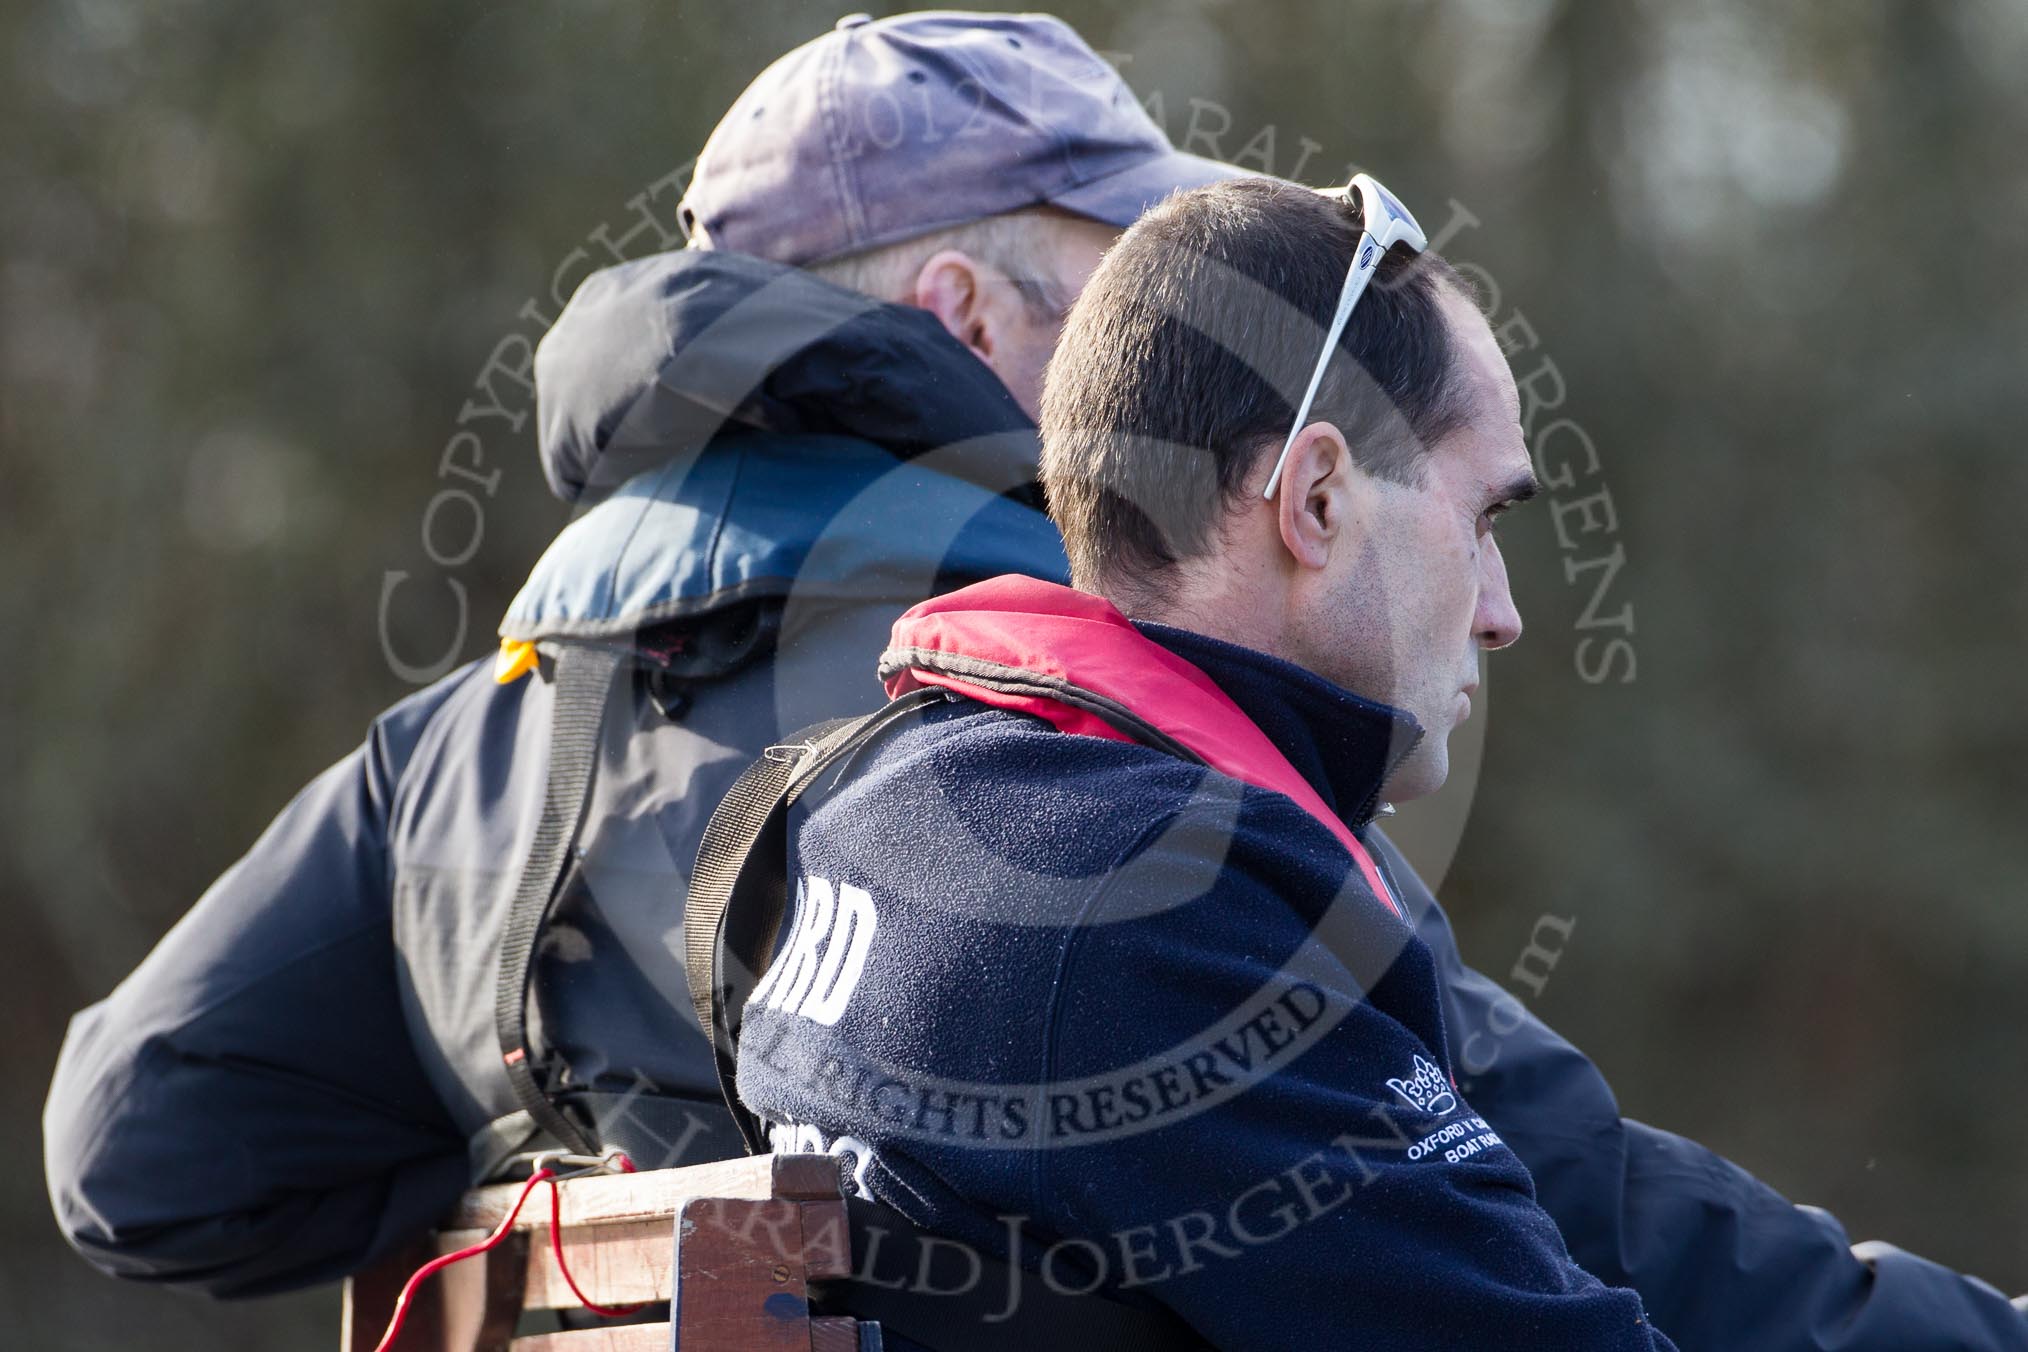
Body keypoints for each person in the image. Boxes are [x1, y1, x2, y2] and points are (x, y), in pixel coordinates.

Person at [41, 12, 2028, 1349]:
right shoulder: (1048, 709)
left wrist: (536, 1178)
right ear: (965, 313)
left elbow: (141, 1148)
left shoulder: (478, 724)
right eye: (1146, 273)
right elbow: (1513, 1175)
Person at [736, 171, 1682, 1349]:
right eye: (1483, 519)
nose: (1502, 611)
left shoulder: (878, 799)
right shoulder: (1156, 903)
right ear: (1319, 500)